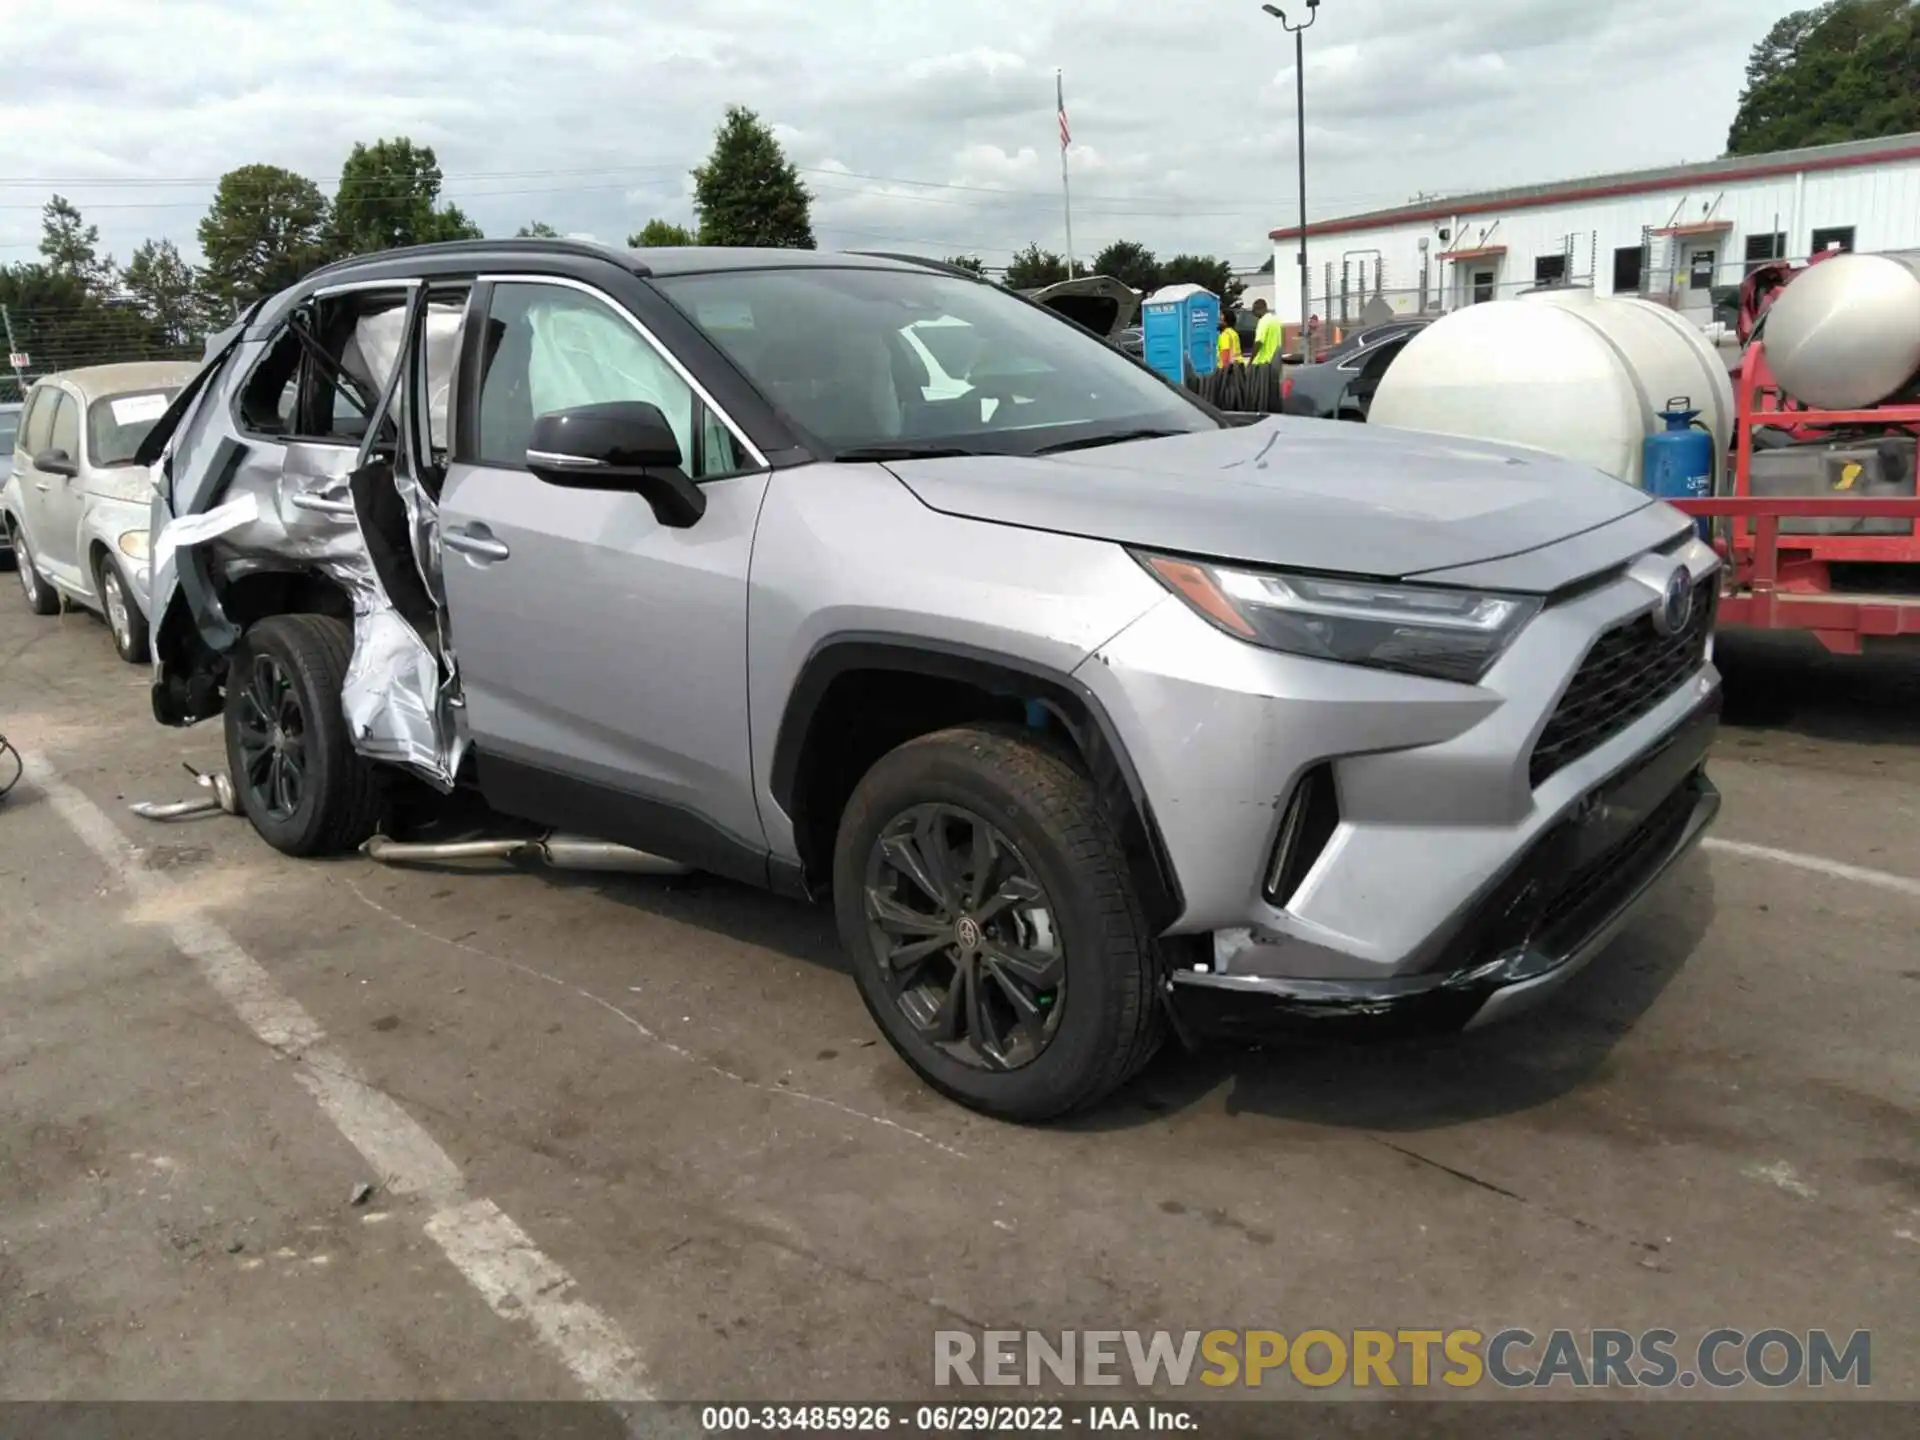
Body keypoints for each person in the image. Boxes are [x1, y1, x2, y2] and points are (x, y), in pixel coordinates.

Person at [1250, 298, 1283, 366]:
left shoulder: (1263, 321)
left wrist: (1251, 361)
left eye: (1254, 311)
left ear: (1258, 309)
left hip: (1264, 362)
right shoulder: (1276, 320)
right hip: (1276, 361)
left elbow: (1258, 342)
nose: (1254, 315)